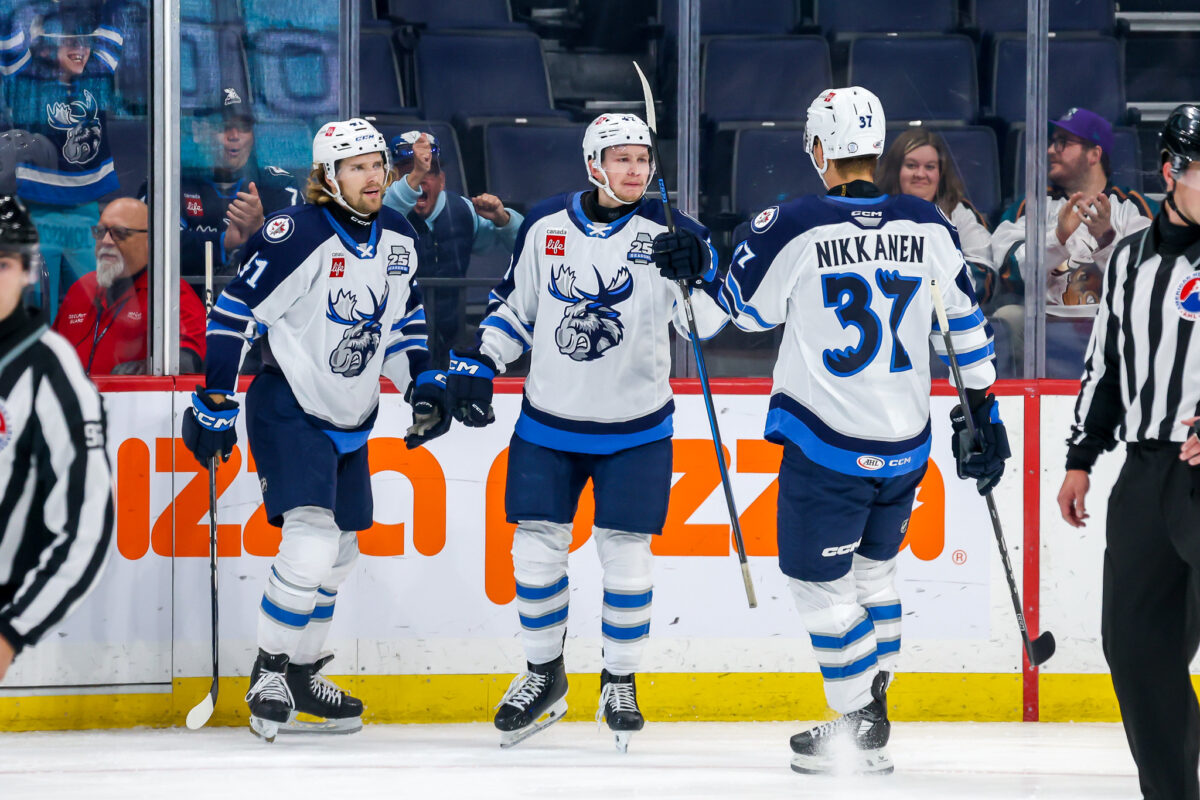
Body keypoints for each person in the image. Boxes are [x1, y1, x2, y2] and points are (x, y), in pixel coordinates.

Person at [712, 87, 1007, 775]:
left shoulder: (794, 223)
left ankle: (860, 724)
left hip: (829, 443)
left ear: (819, 150)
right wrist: (983, 411)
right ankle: (874, 708)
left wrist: (709, 261)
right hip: (905, 443)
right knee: (875, 575)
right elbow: (963, 325)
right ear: (877, 148)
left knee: (819, 584)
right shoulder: (927, 222)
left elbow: (742, 317)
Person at [445, 112, 726, 751]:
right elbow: (516, 310)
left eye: (643, 158)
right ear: (593, 164)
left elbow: (705, 328)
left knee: (627, 560)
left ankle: (619, 681)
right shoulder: (545, 223)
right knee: (534, 552)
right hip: (549, 423)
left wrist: (700, 270)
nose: (636, 169)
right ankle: (544, 675)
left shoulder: (674, 231)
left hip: (637, 428)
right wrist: (481, 361)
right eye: (621, 158)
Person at [181, 117, 450, 742]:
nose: (374, 176)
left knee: (343, 550)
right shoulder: (295, 233)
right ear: (328, 176)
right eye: (357, 167)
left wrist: (419, 387)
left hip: (352, 416)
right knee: (309, 541)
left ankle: (301, 671)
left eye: (378, 164)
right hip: (289, 404)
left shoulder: (399, 236)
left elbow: (403, 320)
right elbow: (234, 311)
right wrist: (216, 396)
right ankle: (267, 671)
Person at [1056, 104, 1200, 800]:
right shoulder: (1130, 260)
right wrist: (1081, 456)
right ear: (1173, 171)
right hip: (1144, 475)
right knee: (1138, 651)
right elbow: (1105, 363)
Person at [0, 194, 113, 683]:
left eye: (1, 264)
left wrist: (11, 633)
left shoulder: (51, 371)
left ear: (28, 271)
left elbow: (86, 527)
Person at [990, 108, 1156, 362]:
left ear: (1094, 154)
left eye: (1062, 142)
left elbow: (1148, 275)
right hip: (1044, 321)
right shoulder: (1031, 205)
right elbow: (1010, 269)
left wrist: (1106, 239)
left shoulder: (1134, 208)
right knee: (1008, 316)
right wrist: (1057, 238)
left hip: (1113, 321)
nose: (1050, 150)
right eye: (1052, 142)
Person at [0, 4, 124, 318]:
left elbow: (117, 17)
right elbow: (7, 23)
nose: (80, 49)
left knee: (89, 310)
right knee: (40, 312)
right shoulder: (25, 77)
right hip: (37, 214)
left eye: (84, 41)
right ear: (48, 45)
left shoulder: (97, 74)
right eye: (70, 41)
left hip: (85, 215)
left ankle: (82, 369)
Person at [382, 131, 523, 359]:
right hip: (394, 339)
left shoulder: (463, 210)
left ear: (442, 180)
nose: (422, 178)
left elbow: (525, 246)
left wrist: (502, 218)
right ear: (392, 179)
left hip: (453, 336)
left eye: (430, 171)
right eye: (410, 172)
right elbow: (386, 214)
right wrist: (416, 175)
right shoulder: (379, 211)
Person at [52, 197, 206, 374]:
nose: (107, 241)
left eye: (119, 233)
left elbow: (189, 362)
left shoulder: (170, 294)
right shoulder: (81, 288)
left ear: (150, 240)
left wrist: (146, 369)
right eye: (100, 232)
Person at [172, 87, 301, 282]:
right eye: (224, 126)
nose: (235, 135)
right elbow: (152, 247)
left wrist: (261, 230)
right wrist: (224, 242)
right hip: (184, 308)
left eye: (244, 127)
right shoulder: (170, 183)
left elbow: (299, 253)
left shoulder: (280, 185)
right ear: (199, 130)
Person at [876, 127, 996, 307]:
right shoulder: (873, 212)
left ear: (940, 173)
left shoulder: (958, 212)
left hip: (947, 317)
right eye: (911, 165)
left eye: (930, 167)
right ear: (895, 170)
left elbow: (983, 275)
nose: (920, 174)